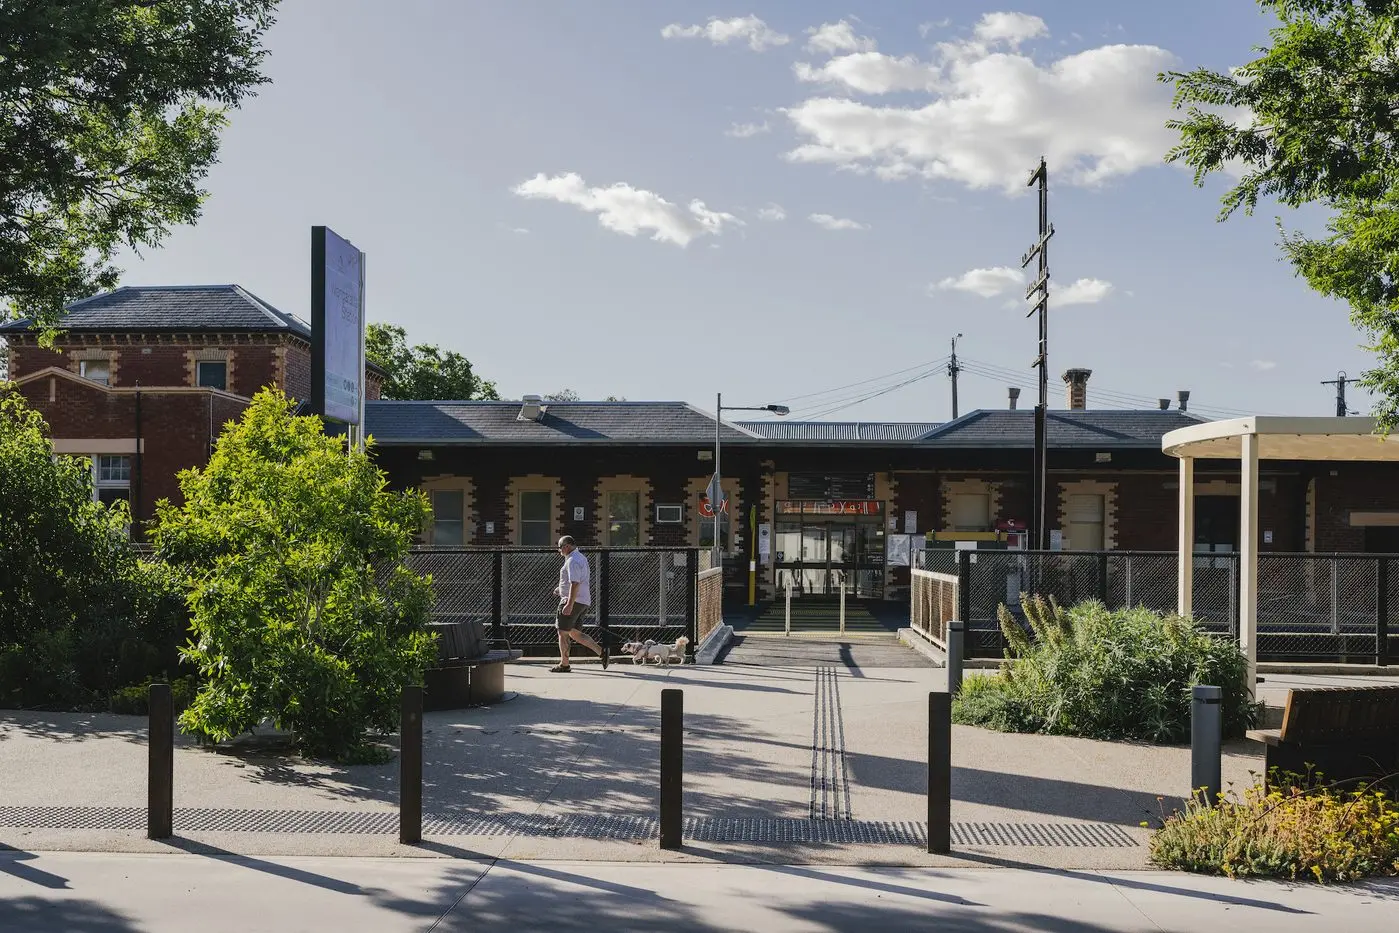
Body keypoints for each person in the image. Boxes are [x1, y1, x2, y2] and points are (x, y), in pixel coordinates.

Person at [552, 535, 601, 672]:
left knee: (562, 632)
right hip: (583, 601)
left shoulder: (572, 561)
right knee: (574, 633)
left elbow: (575, 583)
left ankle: (564, 664)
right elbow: (577, 581)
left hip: (573, 601)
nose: (559, 551)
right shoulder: (580, 558)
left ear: (567, 546)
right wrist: (560, 589)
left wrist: (569, 604)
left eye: (560, 548)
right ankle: (601, 652)